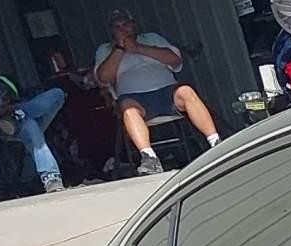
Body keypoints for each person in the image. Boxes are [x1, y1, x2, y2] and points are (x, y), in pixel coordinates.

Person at [92, 10, 219, 173]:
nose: (123, 29)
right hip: (135, 99)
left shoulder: (151, 38)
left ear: (134, 25)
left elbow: (175, 60)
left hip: (167, 93)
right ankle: (149, 157)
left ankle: (214, 141)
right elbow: (103, 78)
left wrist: (138, 48)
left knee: (186, 91)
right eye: (117, 27)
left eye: (126, 24)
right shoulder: (105, 49)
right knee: (128, 110)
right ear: (112, 31)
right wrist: (119, 49)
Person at [0, 38, 67, 195]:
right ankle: (51, 178)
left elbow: (26, 103)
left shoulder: (7, 80)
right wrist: (2, 111)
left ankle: (17, 117)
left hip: (21, 119)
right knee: (30, 126)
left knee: (56, 94)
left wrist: (15, 109)